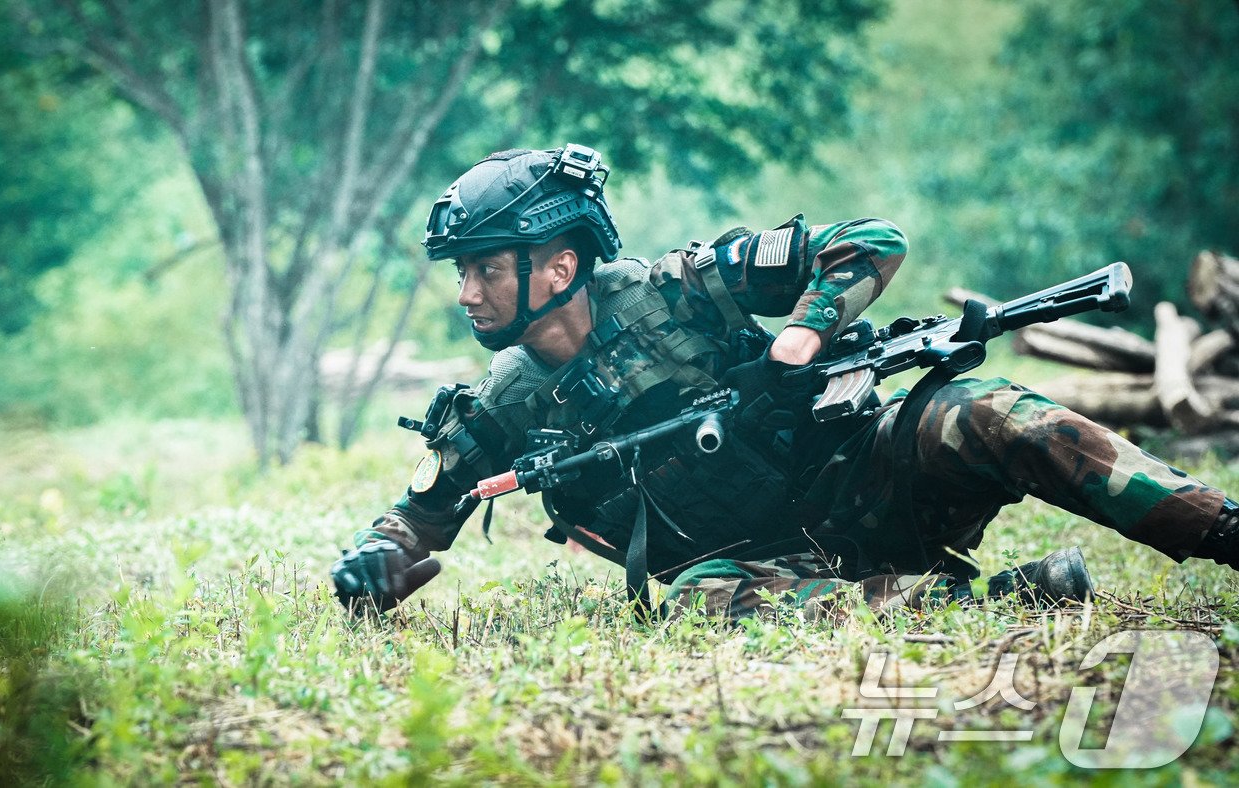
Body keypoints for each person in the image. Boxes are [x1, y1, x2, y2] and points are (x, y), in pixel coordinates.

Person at [330, 144, 1238, 620]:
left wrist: (799, 341)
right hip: (766, 571)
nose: (466, 292)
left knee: (985, 411)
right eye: (462, 272)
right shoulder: (510, 399)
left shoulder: (678, 288)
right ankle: (1004, 601)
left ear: (559, 265)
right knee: (699, 602)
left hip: (864, 486)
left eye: (485, 268)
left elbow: (872, 240)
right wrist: (380, 559)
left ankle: (1217, 527)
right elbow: (423, 514)